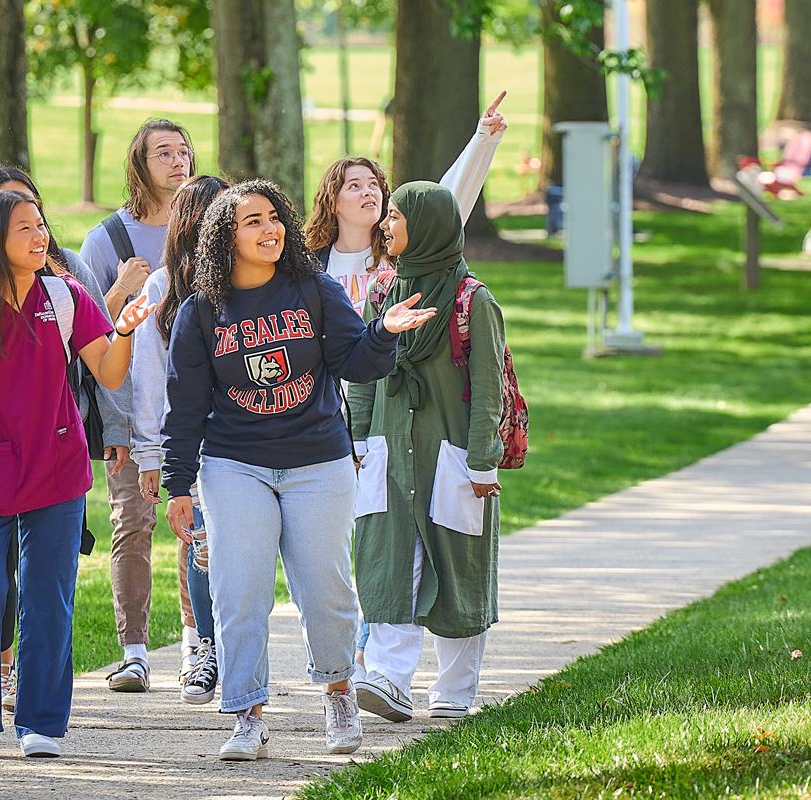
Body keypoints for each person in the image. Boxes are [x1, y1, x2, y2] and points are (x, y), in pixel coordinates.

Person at [161, 179, 438, 761]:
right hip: (236, 465)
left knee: (327, 589)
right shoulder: (200, 312)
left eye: (274, 218)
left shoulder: (312, 288)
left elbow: (355, 364)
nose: (269, 230)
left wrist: (383, 332)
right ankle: (246, 713)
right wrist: (178, 484)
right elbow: (184, 406)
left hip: (317, 460)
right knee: (239, 593)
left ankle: (338, 692)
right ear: (224, 238)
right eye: (252, 222)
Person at [0, 190, 153, 758]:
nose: (40, 235)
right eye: (25, 227)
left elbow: (110, 375)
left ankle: (42, 724)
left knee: (49, 596)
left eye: (41, 224)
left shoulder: (67, 295)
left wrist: (123, 331)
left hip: (57, 468)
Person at [347, 182, 509, 724]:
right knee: (389, 563)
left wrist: (481, 461)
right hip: (389, 456)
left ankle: (454, 693)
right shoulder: (384, 290)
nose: (385, 225)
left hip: (453, 460)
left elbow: (490, 389)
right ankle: (389, 681)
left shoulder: (472, 300)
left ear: (429, 227)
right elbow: (365, 372)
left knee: (456, 567)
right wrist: (358, 440)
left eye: (395, 216)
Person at [79, 119, 193, 692]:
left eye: (183, 150)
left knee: (195, 526)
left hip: (198, 407)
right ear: (139, 164)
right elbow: (81, 331)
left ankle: (198, 648)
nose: (179, 160)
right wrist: (120, 290)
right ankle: (135, 653)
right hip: (127, 408)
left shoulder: (208, 231)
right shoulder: (107, 242)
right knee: (134, 523)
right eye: (164, 153)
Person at [128, 174, 230, 705]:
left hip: (247, 436)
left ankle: (227, 649)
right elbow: (148, 377)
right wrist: (152, 454)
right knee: (201, 546)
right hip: (191, 441)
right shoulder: (162, 287)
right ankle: (204, 649)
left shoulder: (252, 282)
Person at [306, 93, 510, 314]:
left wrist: (483, 140)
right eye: (355, 186)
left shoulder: (402, 250)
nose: (368, 192)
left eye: (373, 184)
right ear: (333, 204)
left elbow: (446, 203)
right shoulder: (313, 265)